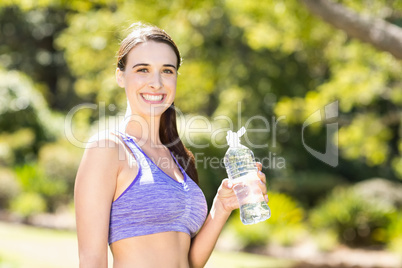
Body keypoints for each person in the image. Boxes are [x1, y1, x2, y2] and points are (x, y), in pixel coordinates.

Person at [74, 22, 268, 268]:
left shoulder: (176, 158)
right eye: (142, 70)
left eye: (167, 70)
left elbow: (187, 262)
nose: (156, 82)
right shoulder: (108, 149)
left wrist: (221, 207)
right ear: (120, 76)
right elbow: (91, 259)